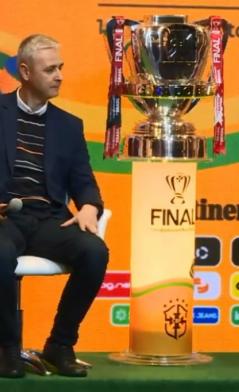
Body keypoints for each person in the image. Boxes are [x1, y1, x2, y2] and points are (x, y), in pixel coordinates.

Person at [0, 34, 109, 378]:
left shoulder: (69, 125)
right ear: (25, 71)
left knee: (94, 252)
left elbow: (84, 181)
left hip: (48, 218)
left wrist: (90, 206)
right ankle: (6, 350)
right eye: (50, 69)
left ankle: (59, 345)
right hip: (3, 218)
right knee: (0, 255)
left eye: (60, 67)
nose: (60, 75)